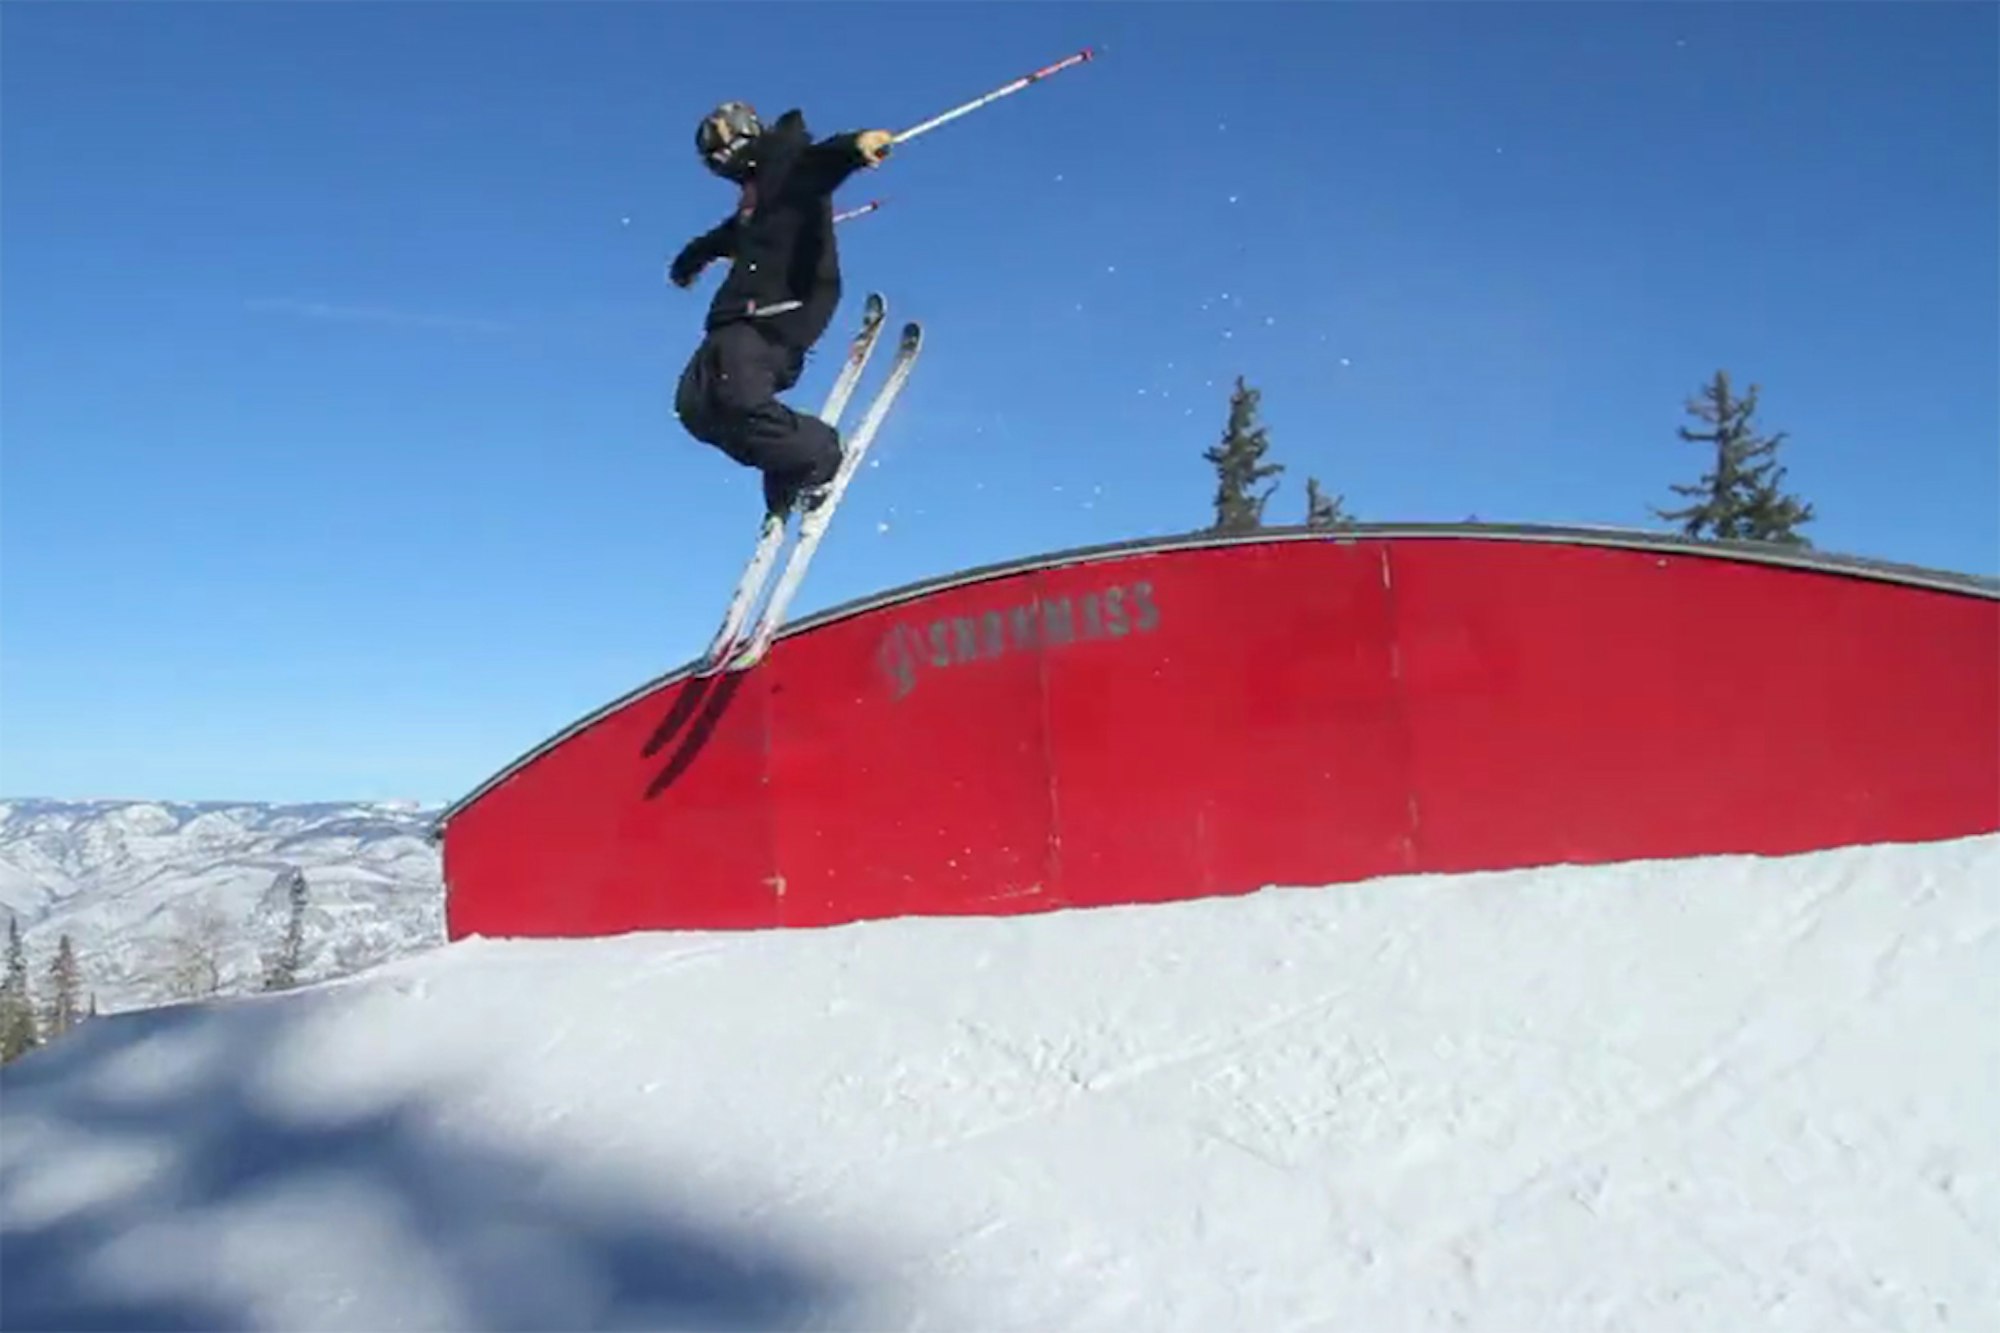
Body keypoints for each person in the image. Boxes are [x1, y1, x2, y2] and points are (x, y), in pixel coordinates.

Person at [668, 102, 894, 517]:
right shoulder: (755, 197)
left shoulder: (784, 159)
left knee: (738, 395)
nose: (720, 165)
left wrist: (855, 146)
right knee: (695, 405)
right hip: (738, 317)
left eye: (721, 153)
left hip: (781, 307)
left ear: (745, 137)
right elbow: (727, 236)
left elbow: (818, 163)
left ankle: (818, 453)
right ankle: (785, 458)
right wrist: (690, 260)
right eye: (711, 161)